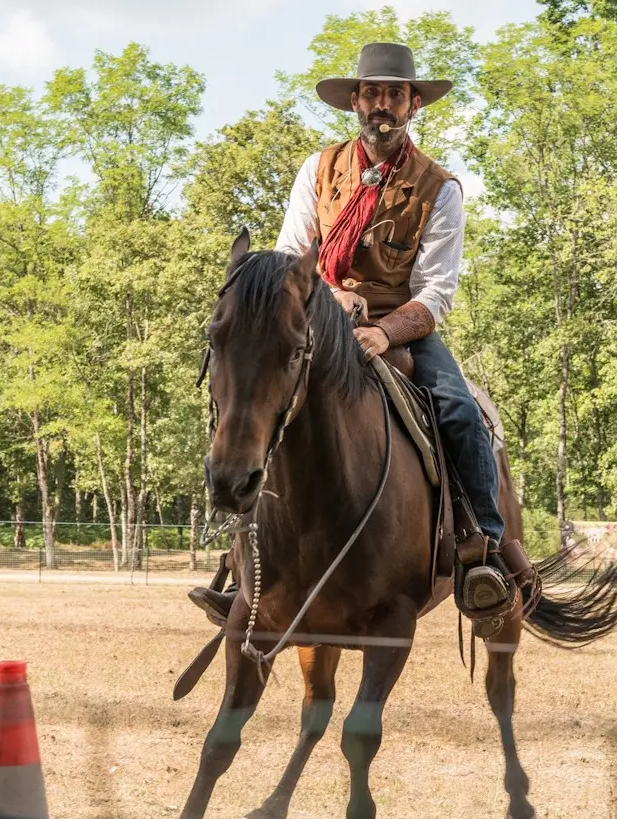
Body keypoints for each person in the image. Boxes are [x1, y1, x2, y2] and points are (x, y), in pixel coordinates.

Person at [191, 43, 525, 631]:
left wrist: (384, 332)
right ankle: (244, 565)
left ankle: (483, 549)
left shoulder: (440, 188)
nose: (382, 105)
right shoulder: (318, 169)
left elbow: (436, 293)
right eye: (372, 94)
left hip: (401, 327)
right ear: (355, 102)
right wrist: (327, 298)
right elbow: (294, 255)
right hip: (316, 317)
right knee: (255, 391)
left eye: (395, 95)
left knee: (460, 410)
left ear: (414, 104)